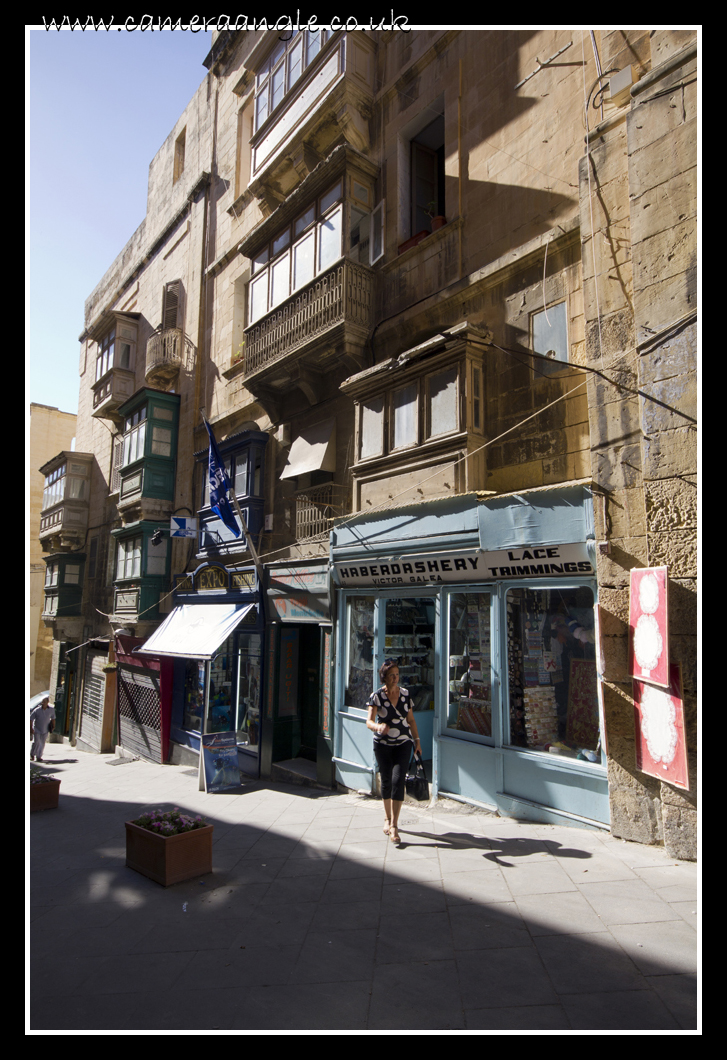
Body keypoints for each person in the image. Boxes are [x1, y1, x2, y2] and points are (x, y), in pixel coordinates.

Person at [366, 660, 422, 845]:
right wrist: (378, 726)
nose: (395, 677)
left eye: (397, 674)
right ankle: (387, 818)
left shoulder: (406, 695)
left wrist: (417, 742)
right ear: (384, 677)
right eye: (391, 674)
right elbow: (369, 721)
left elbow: (411, 720)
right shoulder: (377, 696)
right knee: (387, 781)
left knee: (399, 780)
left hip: (403, 743)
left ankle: (394, 825)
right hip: (382, 744)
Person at [30, 696, 56, 763]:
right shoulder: (37, 710)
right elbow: (31, 719)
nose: (43, 703)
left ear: (47, 702)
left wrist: (53, 726)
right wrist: (31, 728)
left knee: (42, 743)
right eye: (42, 702)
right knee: (37, 742)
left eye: (44, 702)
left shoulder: (51, 710)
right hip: (37, 729)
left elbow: (53, 718)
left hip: (45, 729)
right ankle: (32, 754)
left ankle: (39, 756)